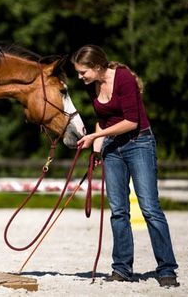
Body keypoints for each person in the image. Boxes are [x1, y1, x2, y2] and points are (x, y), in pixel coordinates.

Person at [71, 45, 179, 287]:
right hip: (112, 149)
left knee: (150, 208)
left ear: (97, 67)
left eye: (82, 72)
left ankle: (167, 269)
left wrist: (94, 138)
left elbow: (131, 122)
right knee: (118, 211)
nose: (80, 77)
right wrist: (97, 149)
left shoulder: (124, 79)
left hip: (139, 143)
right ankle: (121, 268)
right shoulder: (92, 85)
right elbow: (102, 120)